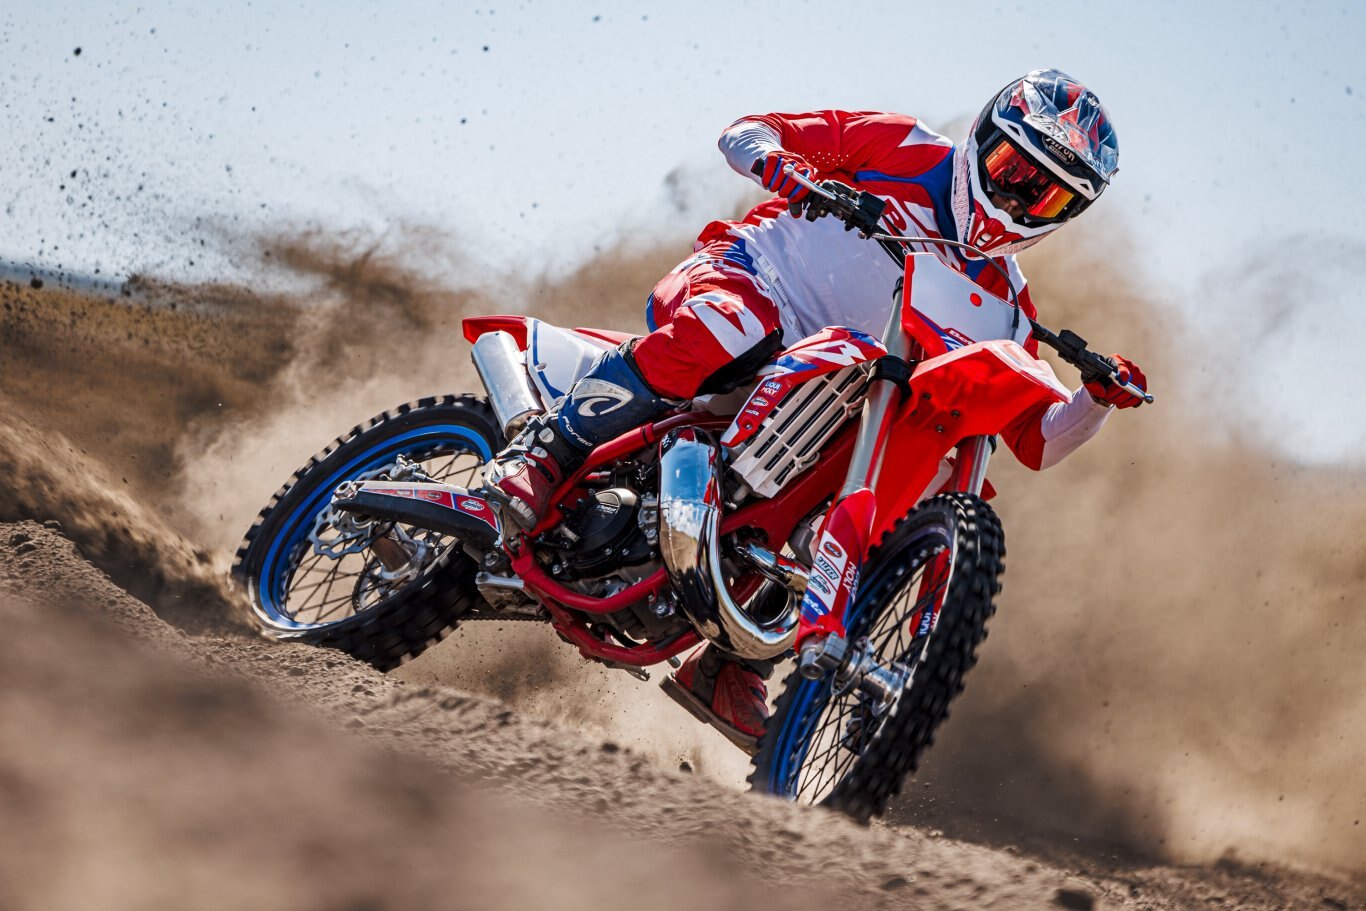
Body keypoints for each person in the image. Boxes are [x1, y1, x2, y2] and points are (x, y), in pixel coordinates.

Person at [483, 69, 1147, 752]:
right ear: (983, 139)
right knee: (733, 327)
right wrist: (785, 167)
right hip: (749, 278)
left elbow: (1035, 438)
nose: (1017, 197)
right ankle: (544, 452)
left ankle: (734, 661)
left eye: (1047, 194)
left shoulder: (1006, 302)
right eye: (1013, 169)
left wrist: (1096, 400)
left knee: (891, 475)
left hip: (828, 390)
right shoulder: (906, 148)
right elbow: (750, 132)